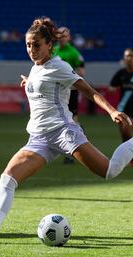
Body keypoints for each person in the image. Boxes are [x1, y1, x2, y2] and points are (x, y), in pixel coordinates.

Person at [0, 17, 133, 244]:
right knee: (8, 179)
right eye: (28, 45)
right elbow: (42, 88)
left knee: (109, 171)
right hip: (39, 138)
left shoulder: (59, 66)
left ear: (50, 45)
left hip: (64, 132)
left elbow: (89, 91)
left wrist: (111, 111)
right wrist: (28, 83)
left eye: (36, 45)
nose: (31, 50)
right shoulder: (36, 67)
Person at [53, 26, 86, 164]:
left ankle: (73, 150)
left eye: (64, 35)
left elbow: (81, 72)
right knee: (60, 120)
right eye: (60, 35)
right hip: (55, 92)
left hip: (70, 91)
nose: (62, 37)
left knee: (71, 119)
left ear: (69, 38)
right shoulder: (52, 50)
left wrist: (69, 80)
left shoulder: (73, 53)